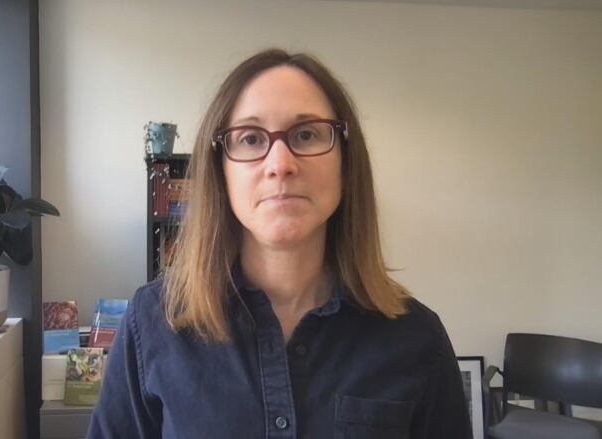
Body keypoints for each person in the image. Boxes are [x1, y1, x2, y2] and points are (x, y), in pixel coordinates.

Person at [88, 49, 472, 439]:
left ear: (346, 161)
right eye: (251, 138)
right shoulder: (153, 322)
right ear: (220, 171)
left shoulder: (415, 336)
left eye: (306, 134)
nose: (280, 163)